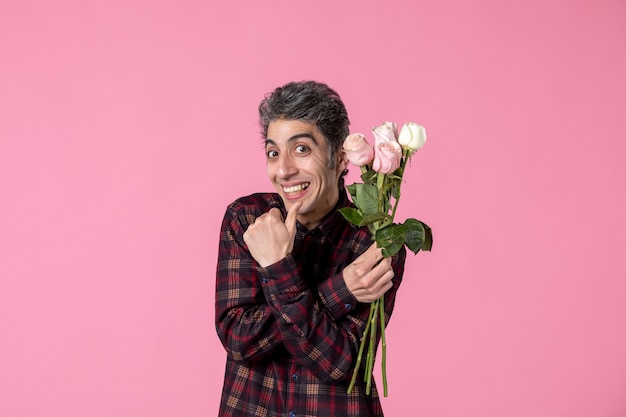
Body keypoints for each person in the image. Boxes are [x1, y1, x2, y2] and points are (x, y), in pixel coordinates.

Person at [215, 80, 406, 417]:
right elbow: (239, 339)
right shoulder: (248, 221)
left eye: (301, 149)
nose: (284, 170)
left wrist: (276, 269)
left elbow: (340, 363)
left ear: (341, 159)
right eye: (274, 153)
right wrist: (340, 290)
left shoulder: (377, 240)